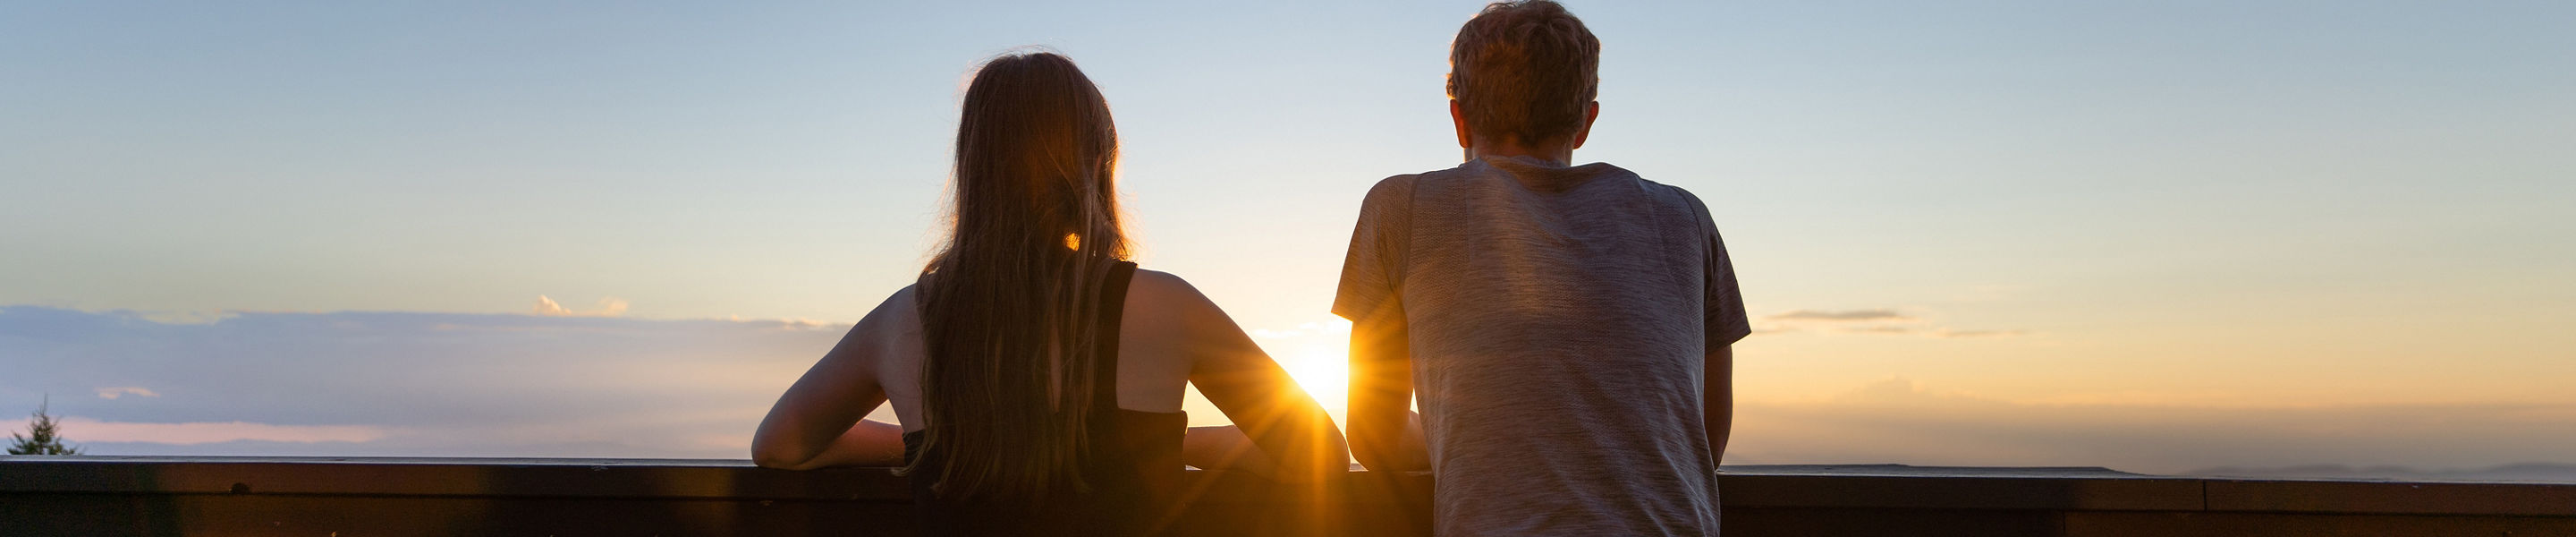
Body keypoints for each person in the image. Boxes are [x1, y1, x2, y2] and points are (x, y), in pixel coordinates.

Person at [751, 51, 1347, 536]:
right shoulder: (1165, 306)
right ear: (1095, 162)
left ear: (973, 168)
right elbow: (1321, 452)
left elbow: (778, 445)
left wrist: (925, 446)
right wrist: (1168, 442)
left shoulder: (905, 319)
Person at [1337, 2, 1752, 535]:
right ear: (1585, 121)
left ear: (1458, 117)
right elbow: (1705, 440)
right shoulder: (1684, 217)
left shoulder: (1403, 206)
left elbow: (1372, 439)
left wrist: (1463, 438)